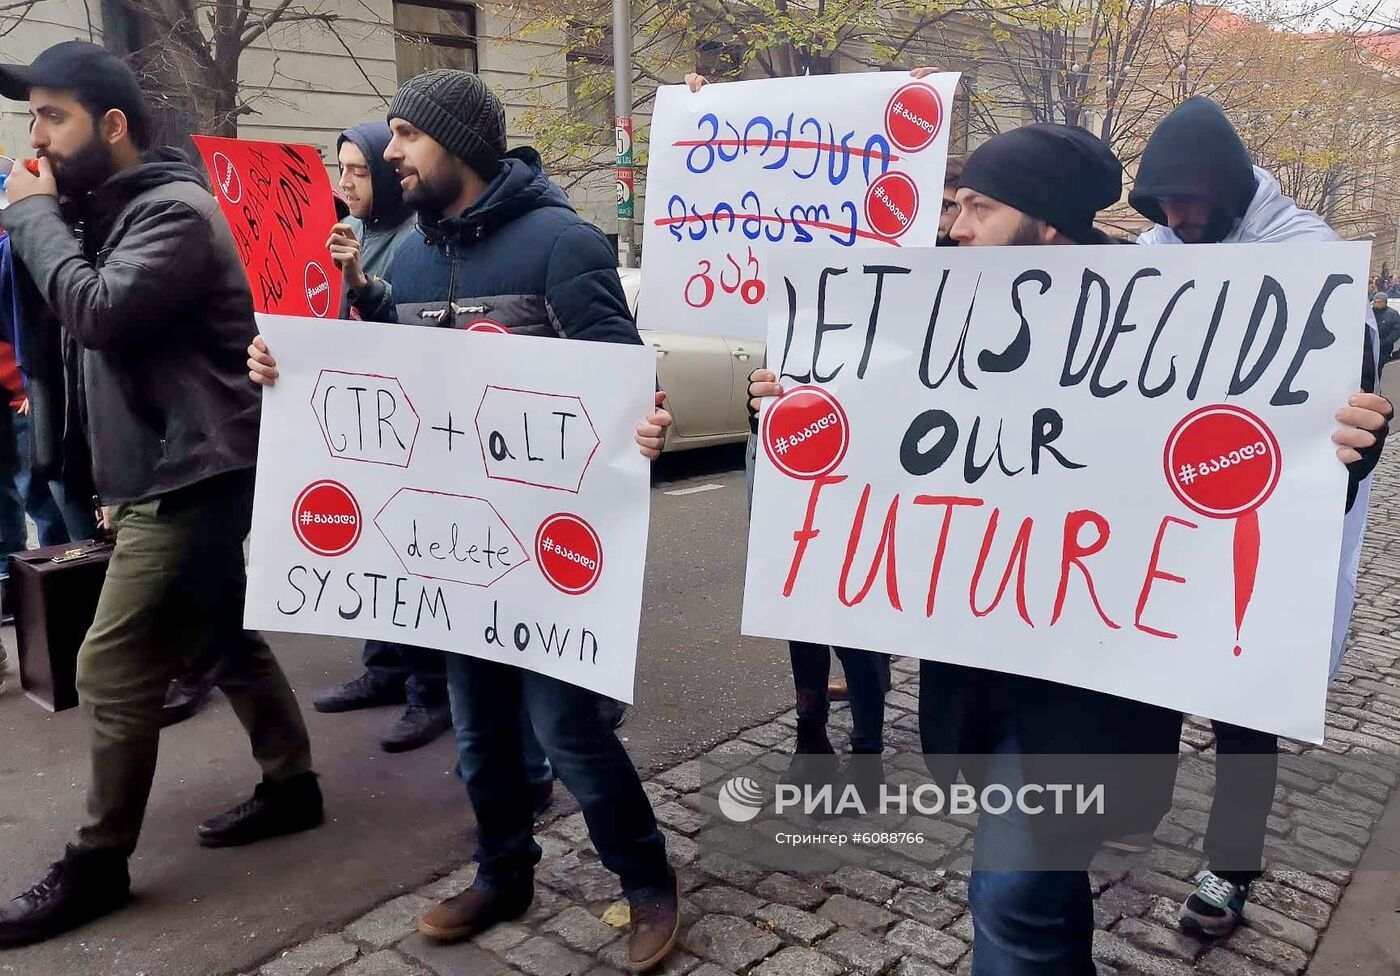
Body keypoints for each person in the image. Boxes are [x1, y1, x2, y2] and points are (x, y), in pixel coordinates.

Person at [247, 69, 681, 972]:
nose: (389, 153)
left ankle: (647, 886)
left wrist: (646, 425)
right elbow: (394, 375)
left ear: (460, 144)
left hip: (548, 554)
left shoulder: (560, 243)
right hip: (453, 548)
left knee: (568, 731)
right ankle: (502, 872)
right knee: (479, 733)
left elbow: (617, 376)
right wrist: (292, 363)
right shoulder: (407, 255)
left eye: (406, 136)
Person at [0, 41, 322, 948]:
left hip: (197, 469)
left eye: (52, 116)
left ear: (111, 126)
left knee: (111, 664)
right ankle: (292, 785)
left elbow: (96, 313)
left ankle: (97, 862)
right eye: (32, 118)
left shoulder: (175, 213)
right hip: (165, 467)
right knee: (221, 632)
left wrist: (31, 219)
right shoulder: (108, 211)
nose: (38, 138)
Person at [1130, 94, 1392, 938]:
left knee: (1243, 703)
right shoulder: (1158, 248)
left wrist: (1354, 447)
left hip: (1257, 517)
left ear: (1230, 193)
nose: (1178, 216)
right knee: (1147, 676)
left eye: (1192, 201)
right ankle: (1135, 806)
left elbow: (1348, 385)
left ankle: (1230, 869)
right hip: (1168, 514)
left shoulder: (1307, 255)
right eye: (1164, 203)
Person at [310, 121, 453, 753]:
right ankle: (386, 669)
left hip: (407, 425)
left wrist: (361, 283)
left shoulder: (416, 238)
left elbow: (403, 324)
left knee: (410, 560)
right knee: (370, 555)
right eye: (341, 170)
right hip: (358, 420)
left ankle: (431, 691)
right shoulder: (355, 231)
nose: (347, 183)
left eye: (359, 171)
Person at [1373, 292, 1400, 366]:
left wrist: (1386, 342)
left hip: (1384, 348)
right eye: (1375, 302)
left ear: (1385, 302)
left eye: (1379, 302)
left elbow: (1396, 331)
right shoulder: (1370, 314)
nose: (1376, 304)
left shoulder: (1392, 314)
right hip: (1370, 347)